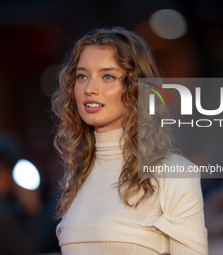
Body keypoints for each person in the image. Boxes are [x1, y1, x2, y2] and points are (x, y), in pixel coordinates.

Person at [53, 26, 208, 255]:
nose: (89, 89)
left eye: (108, 76)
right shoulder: (76, 178)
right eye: (82, 76)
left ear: (136, 89)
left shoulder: (174, 175)